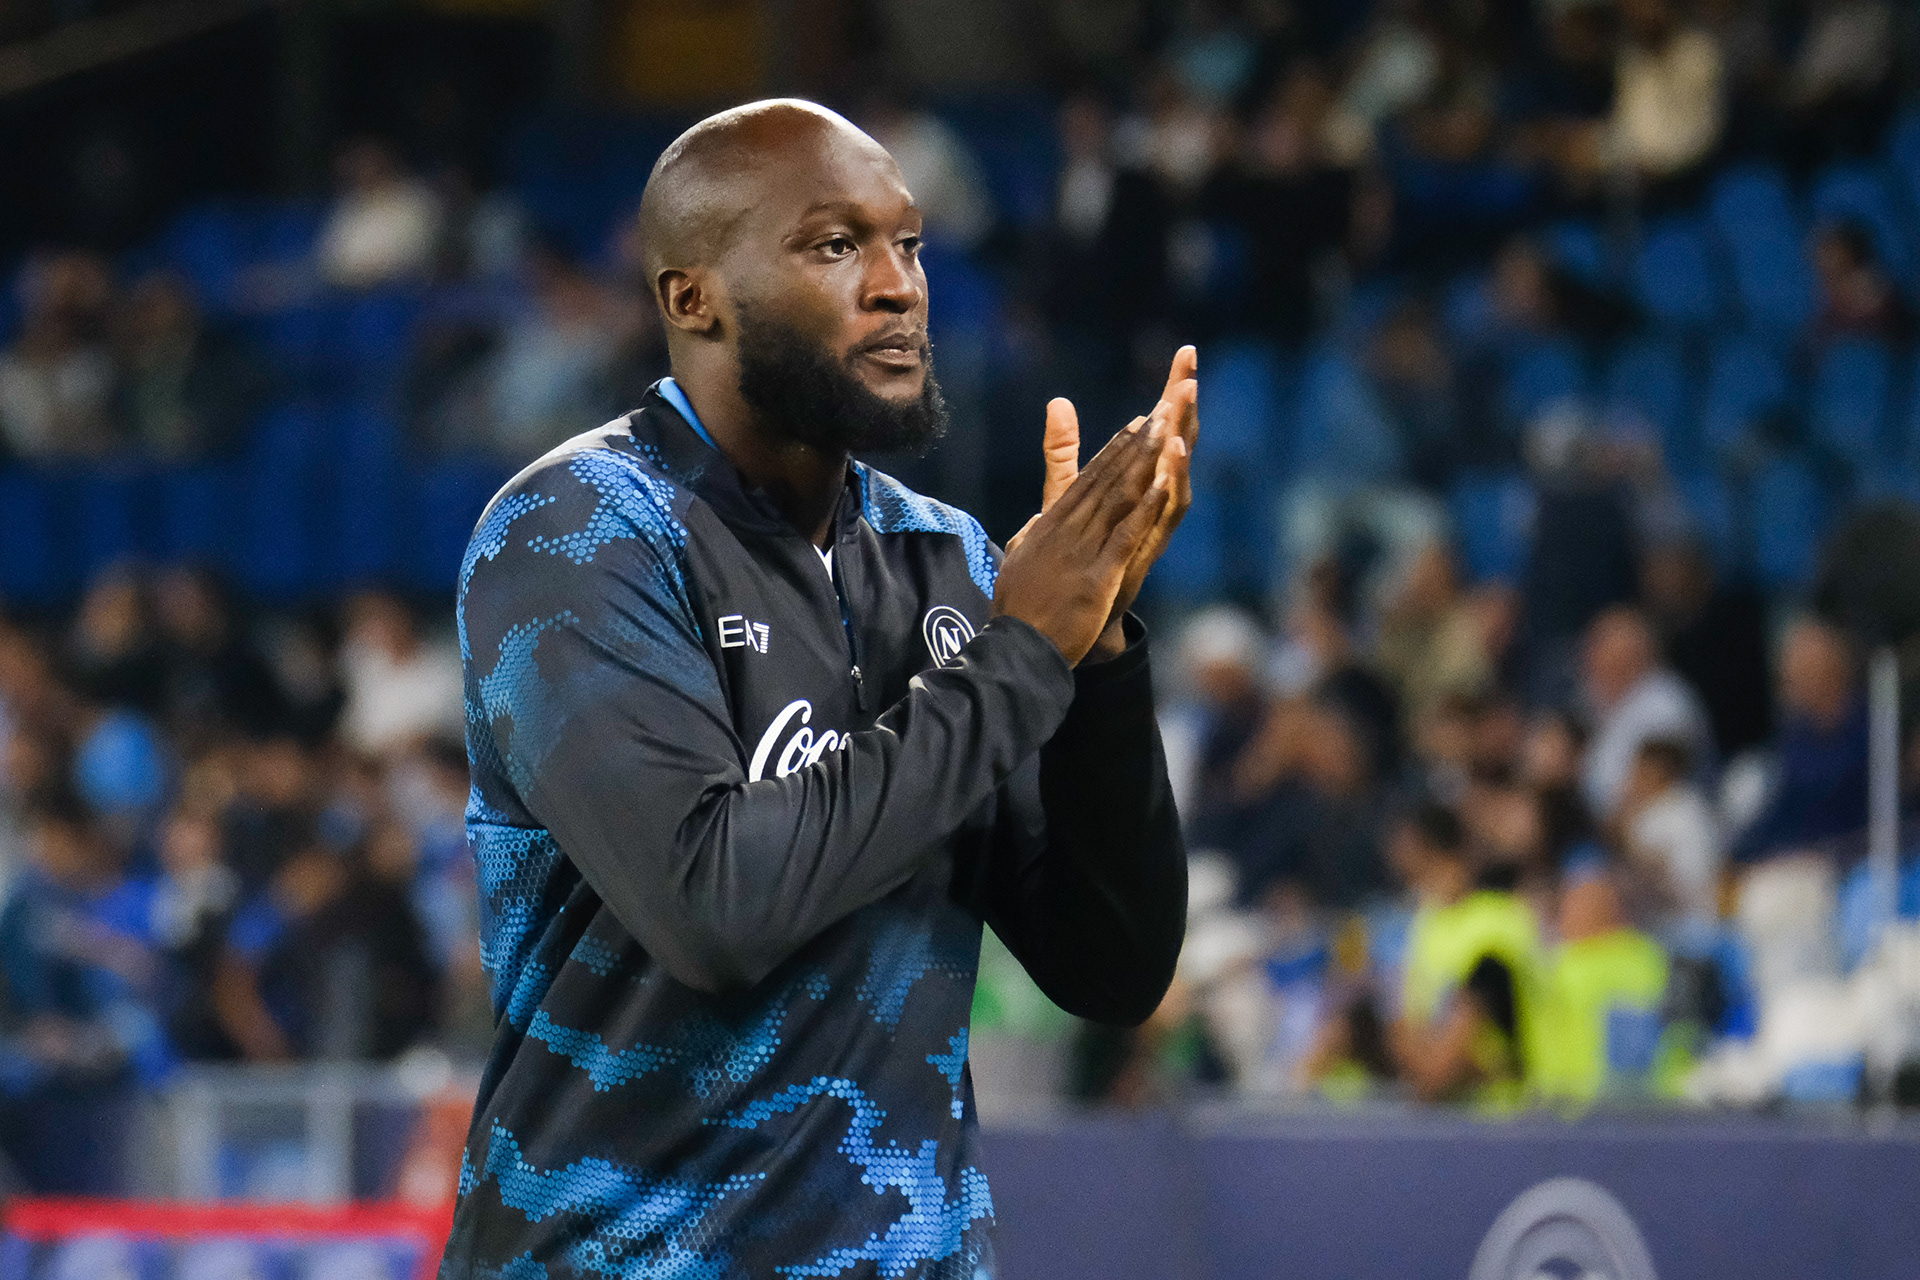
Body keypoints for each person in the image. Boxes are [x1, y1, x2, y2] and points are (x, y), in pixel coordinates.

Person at [442, 100, 1193, 1277]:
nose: (898, 287)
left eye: (910, 245)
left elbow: (1113, 965)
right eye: (836, 245)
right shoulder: (575, 534)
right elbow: (715, 905)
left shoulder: (946, 560)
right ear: (693, 296)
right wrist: (1021, 654)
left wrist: (1093, 658)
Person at [1732, 617, 1869, 865]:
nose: (1788, 688)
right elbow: (1778, 812)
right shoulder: (1795, 736)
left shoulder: (1870, 733)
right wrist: (1739, 855)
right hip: (1793, 860)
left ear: (1834, 672)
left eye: (1801, 673)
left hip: (1854, 862)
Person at [1578, 605, 1714, 821]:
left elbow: (1651, 791)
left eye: (1609, 655)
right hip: (1605, 825)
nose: (1591, 661)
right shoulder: (1596, 701)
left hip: (1660, 826)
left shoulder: (1666, 704)